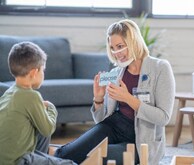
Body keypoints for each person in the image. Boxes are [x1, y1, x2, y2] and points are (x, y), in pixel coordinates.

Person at [54, 19, 175, 165]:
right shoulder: (115, 73)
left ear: (134, 42)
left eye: (120, 46)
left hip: (141, 138)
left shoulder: (160, 67)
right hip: (113, 125)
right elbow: (101, 120)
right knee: (65, 154)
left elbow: (163, 117)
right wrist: (98, 99)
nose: (116, 53)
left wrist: (128, 98)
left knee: (96, 158)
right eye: (112, 48)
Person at [0, 42, 76, 165]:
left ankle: (43, 158)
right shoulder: (31, 95)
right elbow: (48, 129)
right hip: (17, 160)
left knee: (39, 122)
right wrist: (51, 108)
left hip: (5, 157)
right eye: (43, 70)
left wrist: (41, 109)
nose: (43, 74)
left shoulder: (9, 92)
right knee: (68, 164)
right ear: (34, 73)